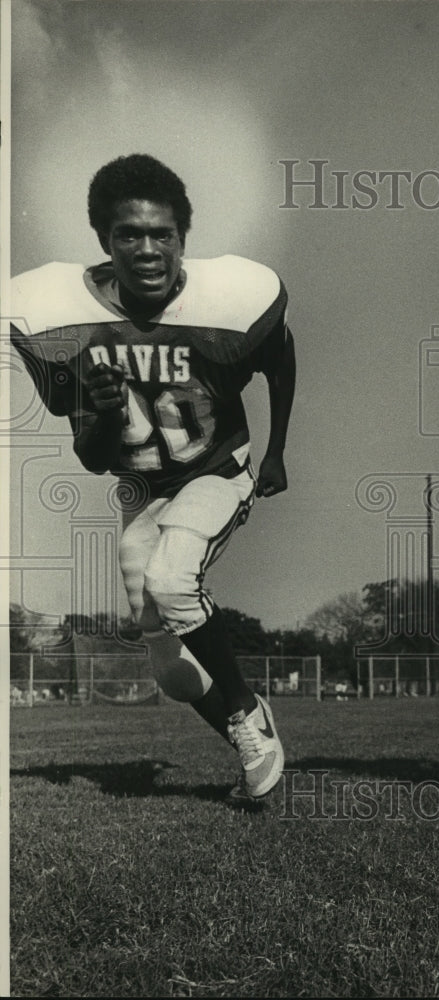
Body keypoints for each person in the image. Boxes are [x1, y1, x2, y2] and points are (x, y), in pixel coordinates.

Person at [11, 153, 296, 806]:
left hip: (215, 469)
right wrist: (107, 411)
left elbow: (280, 356)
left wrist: (278, 449)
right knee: (169, 670)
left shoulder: (224, 304)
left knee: (173, 583)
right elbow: (90, 455)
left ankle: (249, 712)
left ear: (183, 236)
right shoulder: (70, 325)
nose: (146, 249)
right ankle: (244, 733)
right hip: (139, 489)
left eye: (161, 233)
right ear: (104, 240)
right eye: (128, 235)